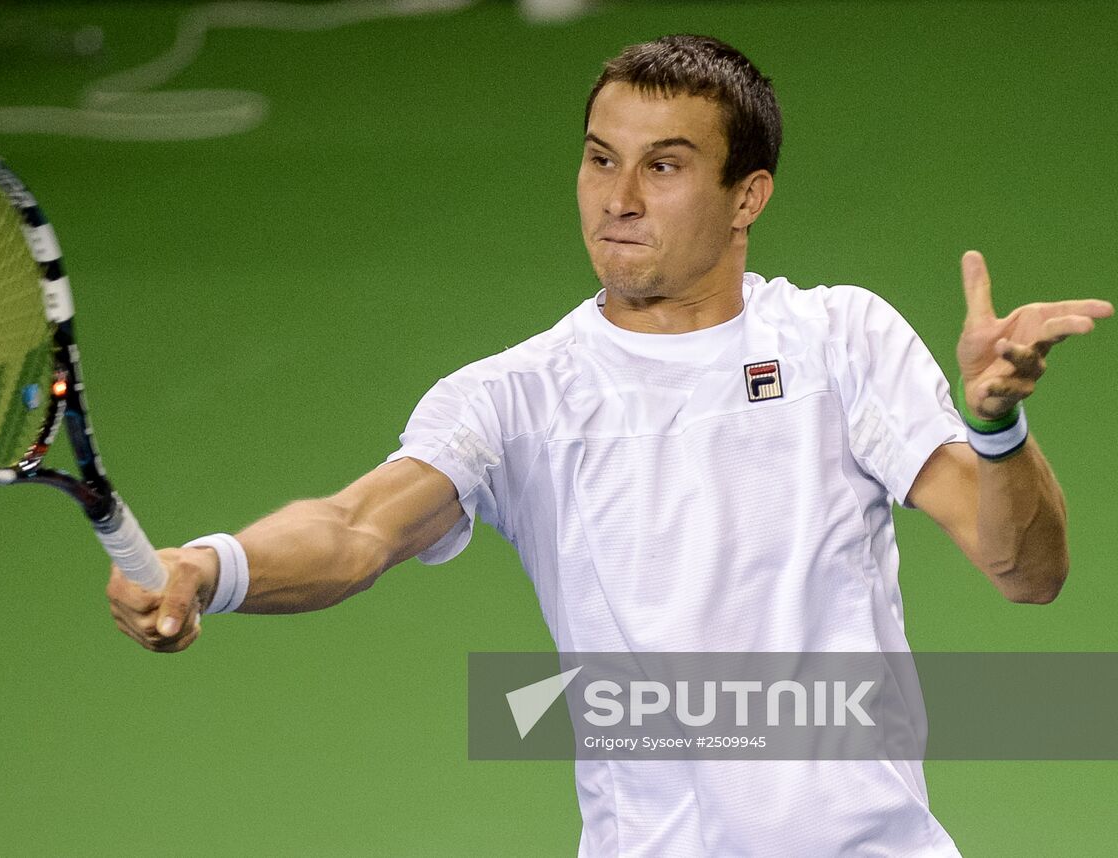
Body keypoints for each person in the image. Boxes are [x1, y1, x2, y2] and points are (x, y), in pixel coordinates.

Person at [105, 35, 1112, 856]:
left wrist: (995, 428)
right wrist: (211, 567)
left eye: (662, 166)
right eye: (599, 158)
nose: (617, 197)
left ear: (747, 196)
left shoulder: (838, 341)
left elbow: (1024, 570)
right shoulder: (517, 396)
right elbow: (354, 527)